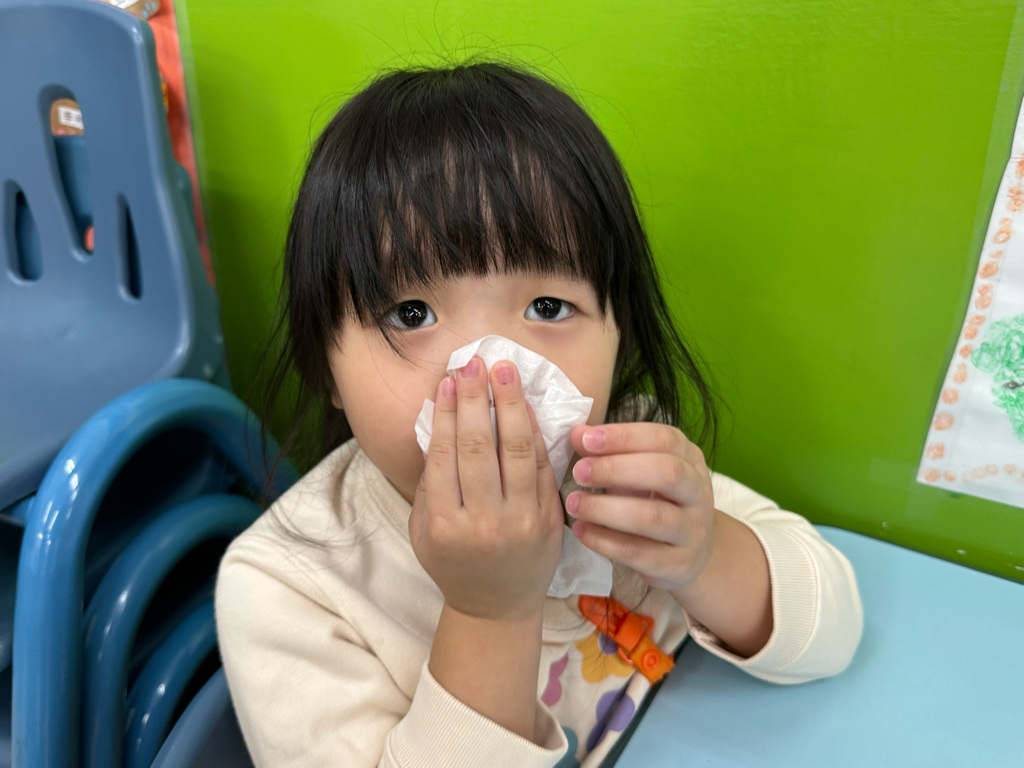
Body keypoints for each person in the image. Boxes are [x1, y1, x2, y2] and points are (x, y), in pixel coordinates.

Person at [214, 60, 863, 768]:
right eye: (411, 313)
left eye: (548, 307)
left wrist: (706, 554)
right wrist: (489, 611)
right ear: (325, 366)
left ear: (619, 337)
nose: (493, 371)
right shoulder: (285, 584)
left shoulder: (623, 467)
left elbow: (833, 634)